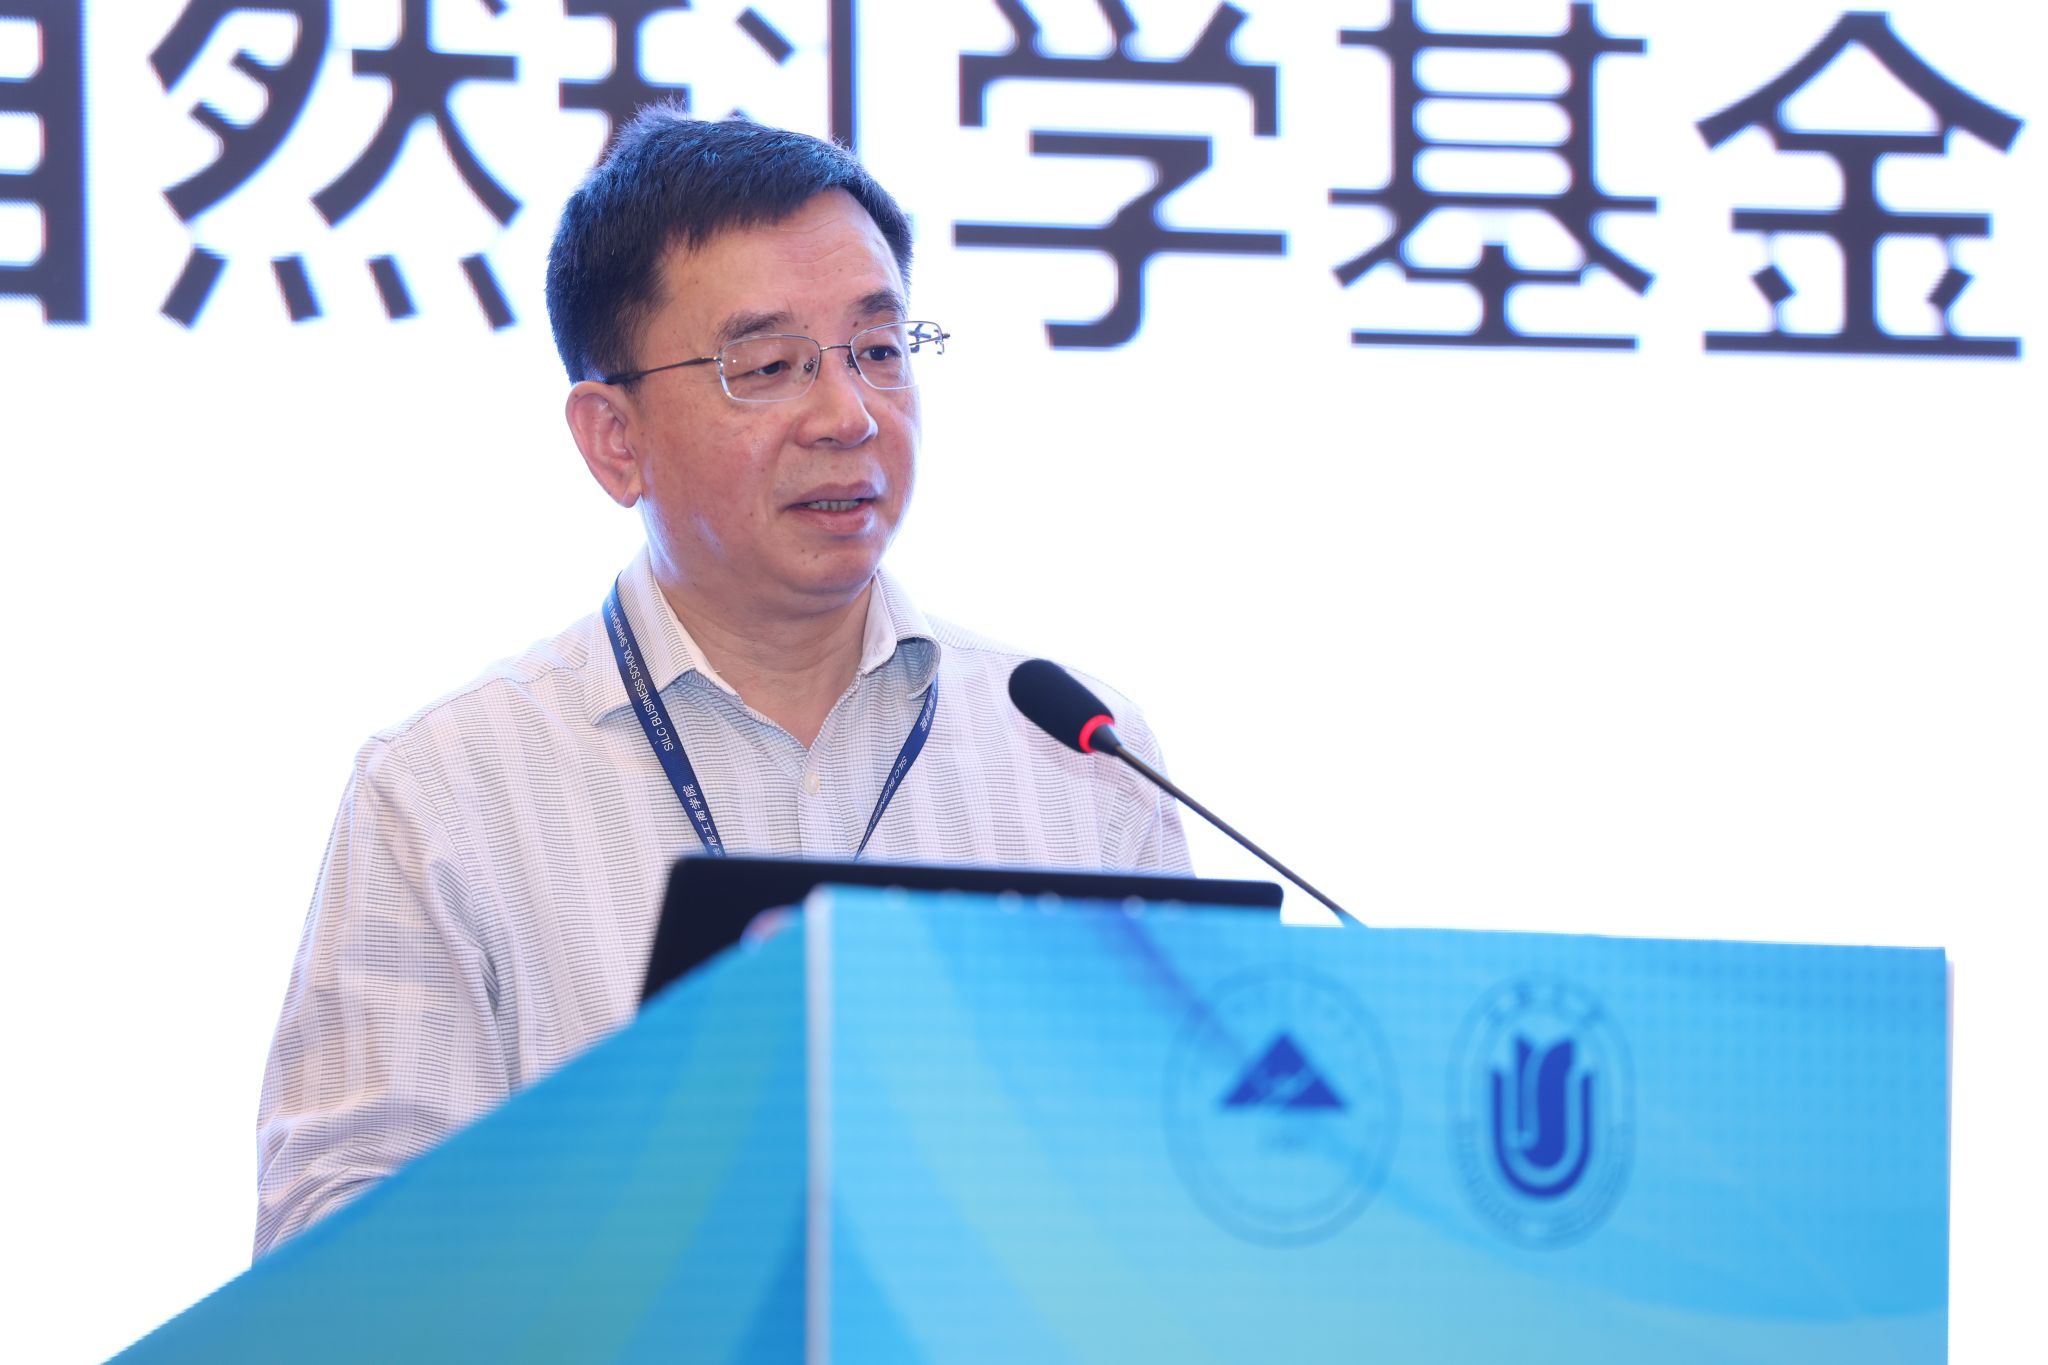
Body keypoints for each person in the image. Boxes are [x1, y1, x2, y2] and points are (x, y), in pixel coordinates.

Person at [252, 112, 1191, 1257]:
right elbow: (327, 1241)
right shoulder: (450, 789)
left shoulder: (1076, 753)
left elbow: (1178, 1174)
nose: (849, 416)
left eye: (878, 349)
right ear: (614, 439)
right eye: (768, 367)